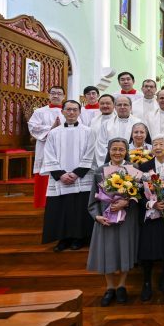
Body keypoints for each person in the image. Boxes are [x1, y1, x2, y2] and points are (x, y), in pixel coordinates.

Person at [87, 138, 142, 306]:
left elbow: (139, 194)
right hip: (106, 218)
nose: (117, 152)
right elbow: (92, 200)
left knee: (124, 250)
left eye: (121, 149)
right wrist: (97, 216)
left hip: (127, 218)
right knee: (107, 252)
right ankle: (110, 287)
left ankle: (121, 286)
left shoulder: (133, 169)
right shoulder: (99, 170)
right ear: (109, 151)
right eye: (114, 149)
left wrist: (127, 201)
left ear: (127, 151)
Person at [41, 100, 95, 252]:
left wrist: (76, 173)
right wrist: (61, 174)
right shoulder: (53, 133)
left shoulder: (88, 131)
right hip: (60, 179)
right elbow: (49, 154)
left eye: (74, 110)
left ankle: (79, 238)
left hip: (81, 177)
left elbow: (90, 153)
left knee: (79, 208)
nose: (71, 112)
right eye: (68, 110)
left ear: (79, 112)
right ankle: (62, 239)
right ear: (63, 112)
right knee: (61, 209)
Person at [136, 135, 164, 302]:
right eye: (155, 144)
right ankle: (146, 282)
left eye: (161, 144)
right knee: (147, 250)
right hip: (150, 215)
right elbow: (138, 193)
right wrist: (152, 205)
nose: (158, 146)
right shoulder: (144, 167)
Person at [28, 85, 65, 208]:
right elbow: (33, 127)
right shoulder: (40, 112)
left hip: (64, 149)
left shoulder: (70, 110)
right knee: (45, 172)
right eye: (53, 93)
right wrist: (51, 128)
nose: (56, 96)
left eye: (59, 93)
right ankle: (42, 203)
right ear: (48, 95)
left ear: (64, 96)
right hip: (45, 148)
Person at [94, 96, 141, 167]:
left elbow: (141, 145)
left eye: (125, 105)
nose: (122, 107)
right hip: (111, 164)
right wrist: (110, 163)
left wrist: (131, 162)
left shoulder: (139, 123)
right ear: (115, 107)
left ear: (130, 107)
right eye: (119, 105)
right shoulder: (106, 124)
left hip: (133, 163)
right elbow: (101, 146)